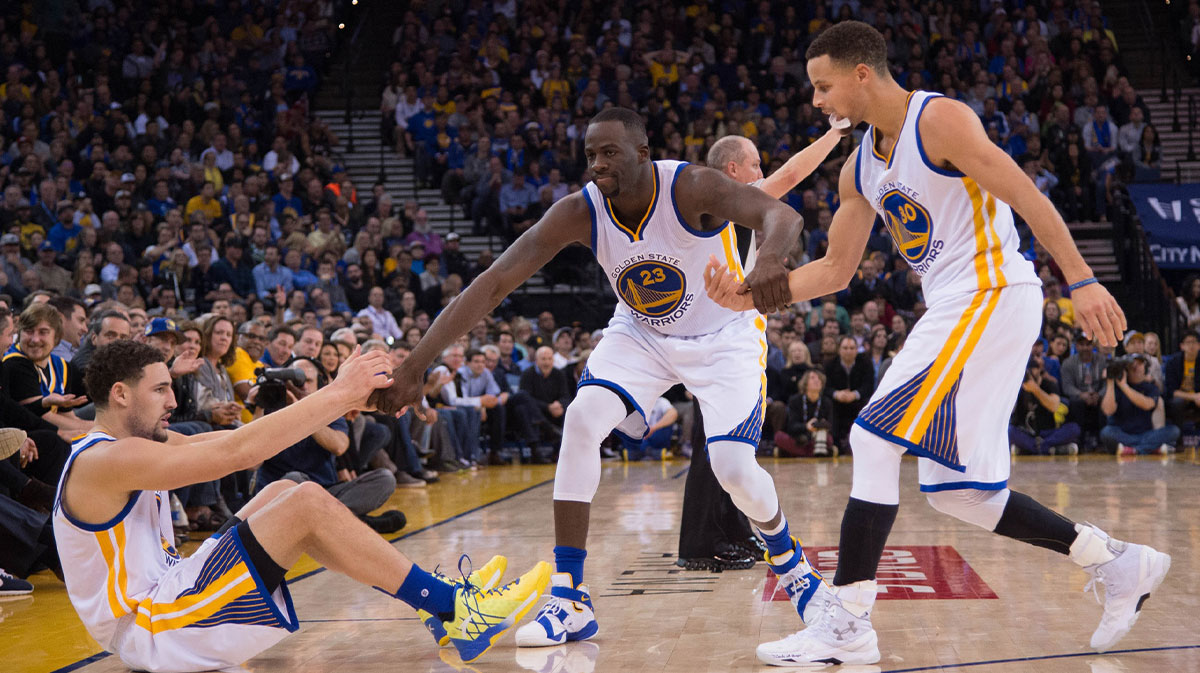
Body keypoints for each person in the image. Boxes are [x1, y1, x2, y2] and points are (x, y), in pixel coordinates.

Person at [705, 21, 1169, 666]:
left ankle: (848, 622)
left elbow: (1026, 194)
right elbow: (837, 270)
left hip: (990, 292)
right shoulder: (860, 165)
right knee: (960, 491)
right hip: (960, 306)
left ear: (861, 73)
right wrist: (747, 296)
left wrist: (1083, 278)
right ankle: (1117, 562)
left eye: (823, 86)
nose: (816, 101)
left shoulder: (940, 120)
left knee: (870, 437)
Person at [373, 107, 827, 650]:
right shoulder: (580, 211)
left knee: (732, 468)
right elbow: (494, 283)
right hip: (640, 332)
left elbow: (782, 216)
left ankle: (795, 570)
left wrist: (771, 260)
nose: (596, 165)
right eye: (590, 155)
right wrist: (415, 365)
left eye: (609, 153)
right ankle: (569, 597)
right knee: (583, 418)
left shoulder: (692, 186)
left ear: (642, 152)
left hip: (723, 338)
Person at [53, 340, 549, 671]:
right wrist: (338, 391)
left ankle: (438, 605)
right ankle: (454, 610)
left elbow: (235, 438)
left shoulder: (127, 448)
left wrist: (349, 402)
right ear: (120, 395)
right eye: (160, 389)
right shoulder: (109, 460)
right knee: (307, 502)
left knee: (285, 490)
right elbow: (236, 454)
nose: (171, 401)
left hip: (165, 599)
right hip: (149, 627)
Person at [1100, 355, 1180, 455]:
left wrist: (1124, 386)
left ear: (1145, 368)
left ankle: (1133, 450)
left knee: (1173, 431)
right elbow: (1108, 410)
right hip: (1123, 434)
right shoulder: (1116, 387)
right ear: (1126, 368)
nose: (1135, 366)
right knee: (1107, 432)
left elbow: (1147, 404)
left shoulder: (1151, 388)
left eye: (1139, 364)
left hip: (1146, 434)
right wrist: (1110, 383)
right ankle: (1150, 448)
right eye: (1132, 364)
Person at [1009, 355, 1080, 455]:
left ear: (1039, 369)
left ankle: (1033, 449)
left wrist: (1035, 389)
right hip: (1029, 434)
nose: (1028, 372)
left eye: (1031, 368)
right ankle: (1052, 449)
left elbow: (1054, 406)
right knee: (1009, 431)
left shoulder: (1050, 384)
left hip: (1049, 432)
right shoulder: (1018, 388)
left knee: (1074, 428)